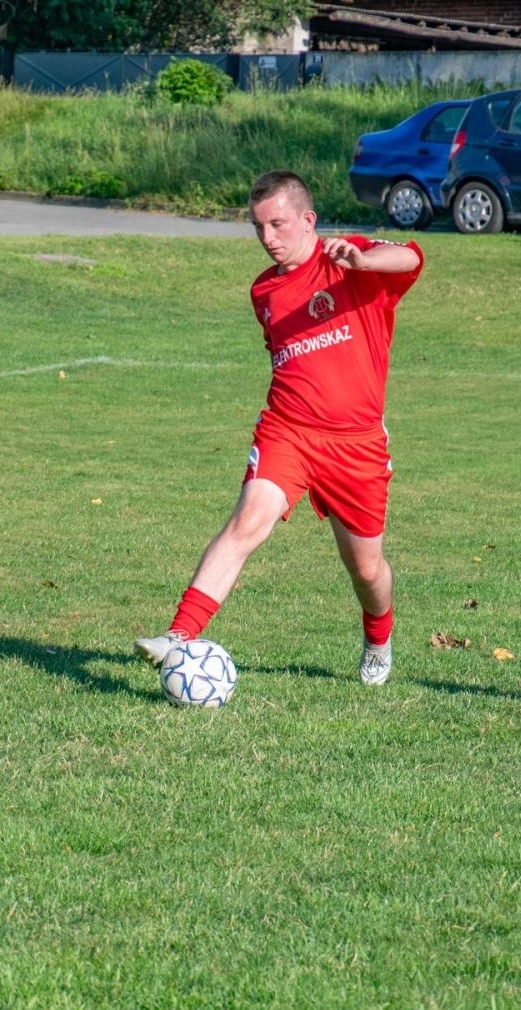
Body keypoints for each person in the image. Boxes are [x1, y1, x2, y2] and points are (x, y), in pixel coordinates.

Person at [134, 170, 423, 685]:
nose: (268, 238)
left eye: (278, 224)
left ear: (308, 219)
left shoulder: (350, 260)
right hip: (288, 431)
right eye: (258, 227)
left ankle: (379, 638)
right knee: (247, 521)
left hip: (356, 446)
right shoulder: (264, 291)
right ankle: (178, 636)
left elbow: (412, 258)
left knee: (366, 569)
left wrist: (364, 259)